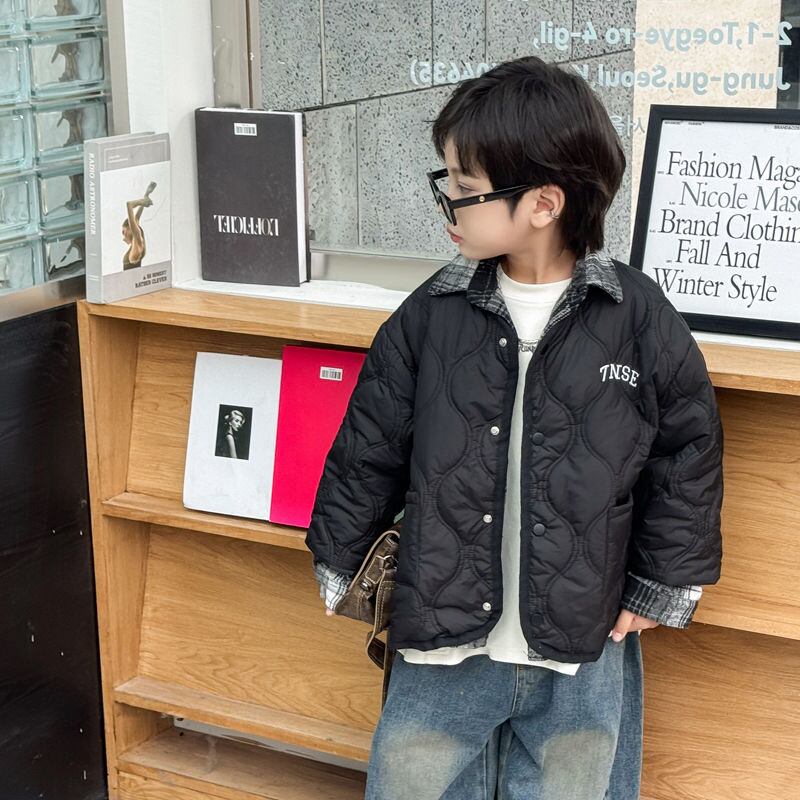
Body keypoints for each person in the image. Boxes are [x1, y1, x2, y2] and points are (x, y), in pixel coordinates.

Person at [306, 55, 723, 800]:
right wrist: (339, 552)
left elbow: (686, 452)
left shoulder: (636, 317)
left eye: (465, 188)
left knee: (572, 782)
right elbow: (370, 442)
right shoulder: (431, 314)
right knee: (416, 777)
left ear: (543, 204)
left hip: (582, 634)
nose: (448, 203)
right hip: (442, 631)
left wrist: (663, 583)